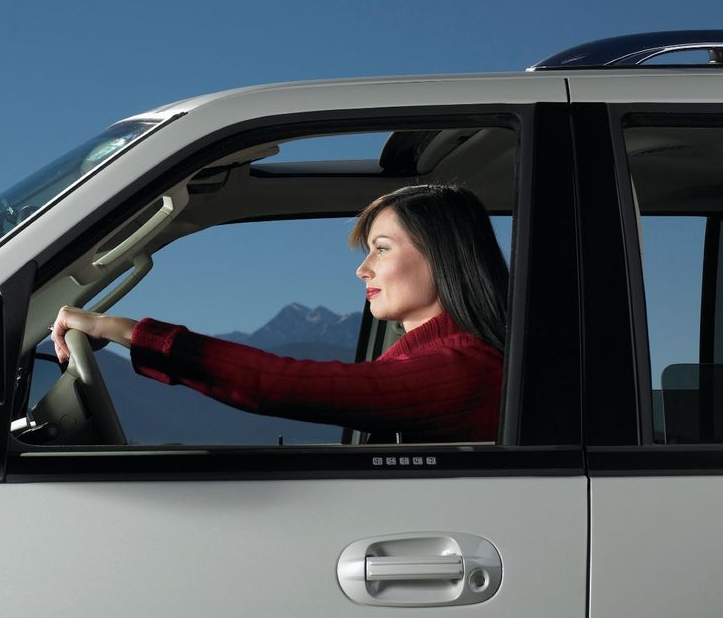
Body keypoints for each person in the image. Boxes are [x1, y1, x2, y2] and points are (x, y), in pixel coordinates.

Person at [49, 184, 508, 443]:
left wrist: (127, 330)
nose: (362, 269)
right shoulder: (428, 360)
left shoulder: (463, 369)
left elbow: (280, 383)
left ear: (443, 255)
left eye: (381, 250)